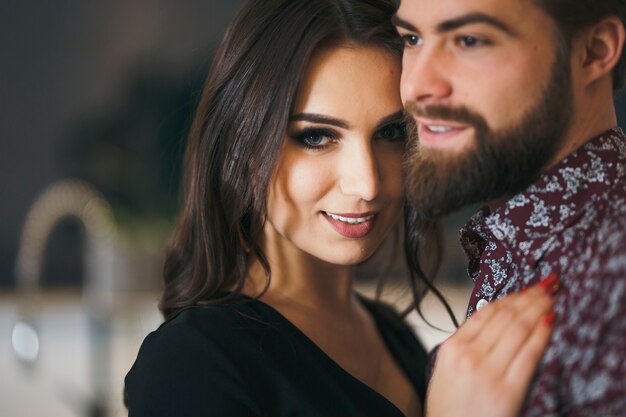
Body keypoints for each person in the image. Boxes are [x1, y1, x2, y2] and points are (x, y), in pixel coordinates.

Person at [125, 0, 555, 416]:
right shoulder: (190, 364)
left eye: (391, 132)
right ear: (244, 144)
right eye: (316, 137)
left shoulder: (393, 338)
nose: (366, 183)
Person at [395, 0, 626, 415]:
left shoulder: (615, 271)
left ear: (594, 50)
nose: (415, 86)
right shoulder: (523, 237)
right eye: (412, 38)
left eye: (469, 40)